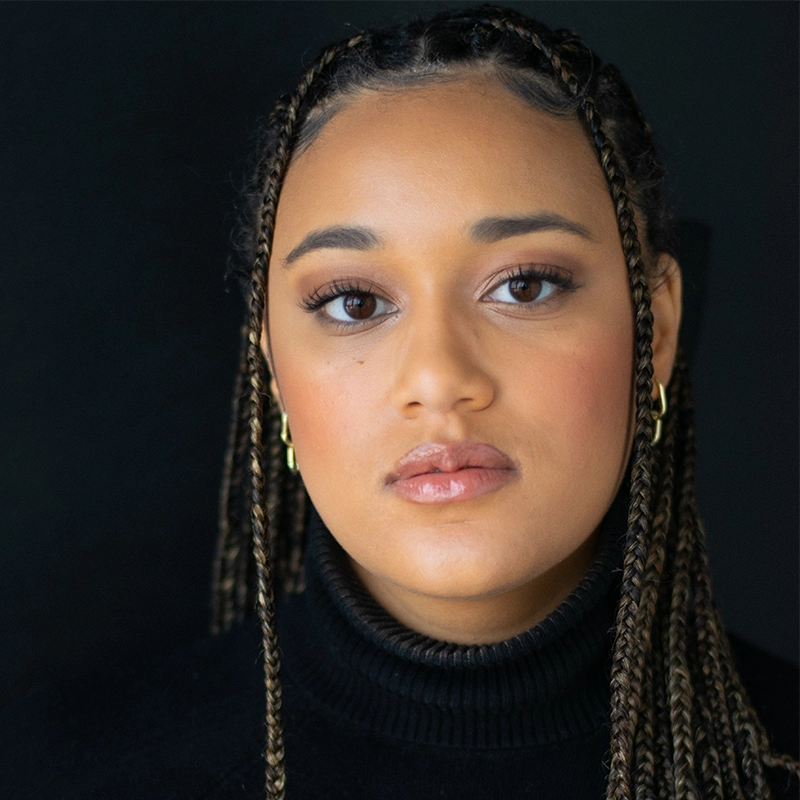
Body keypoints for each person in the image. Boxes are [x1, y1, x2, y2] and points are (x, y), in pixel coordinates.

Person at [1, 5, 797, 800]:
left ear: (654, 330)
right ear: (273, 369)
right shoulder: (60, 775)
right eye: (354, 303)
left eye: (524, 285)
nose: (438, 378)